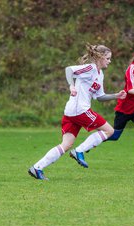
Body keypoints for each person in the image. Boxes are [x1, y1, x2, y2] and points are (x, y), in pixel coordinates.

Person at [28, 43, 126, 180]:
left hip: (72, 112)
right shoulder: (90, 68)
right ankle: (79, 151)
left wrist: (116, 95)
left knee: (66, 144)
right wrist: (72, 86)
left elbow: (99, 97)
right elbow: (69, 70)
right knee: (109, 131)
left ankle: (37, 168)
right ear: (100, 57)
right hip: (80, 109)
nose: (110, 61)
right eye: (108, 58)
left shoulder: (100, 74)